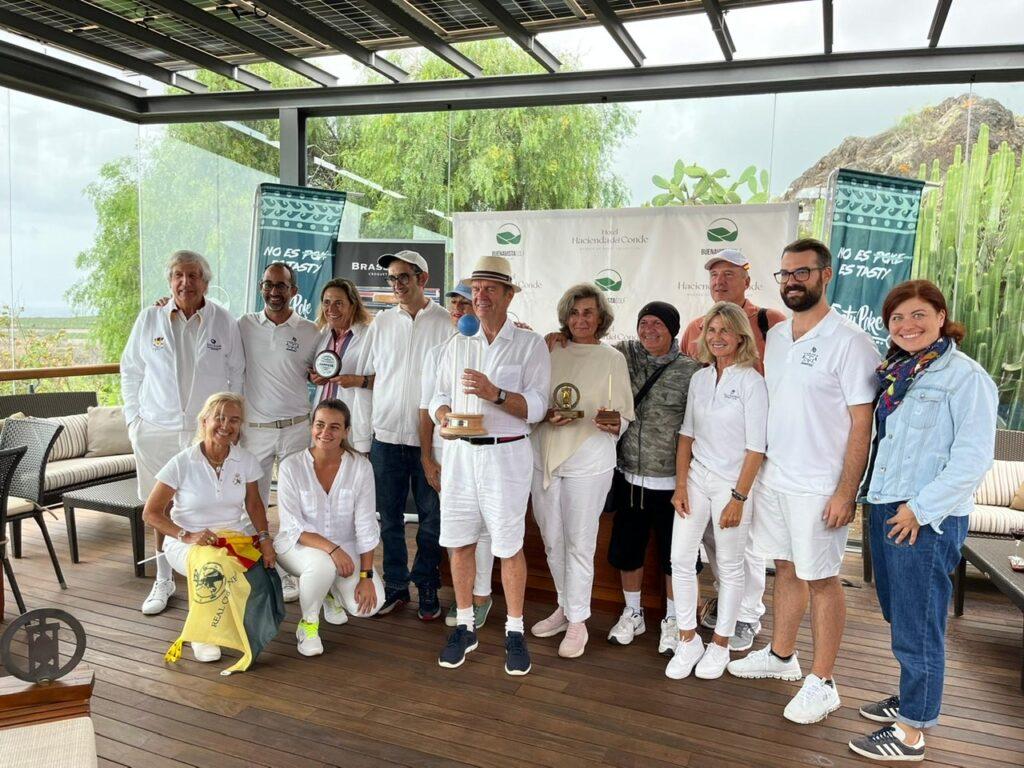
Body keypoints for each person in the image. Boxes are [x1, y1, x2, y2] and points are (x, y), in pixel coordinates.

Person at [727, 238, 879, 725]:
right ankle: (781, 656)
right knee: (786, 569)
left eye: (803, 273)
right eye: (786, 274)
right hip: (776, 479)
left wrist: (845, 492)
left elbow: (863, 423)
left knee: (822, 580)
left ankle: (825, 681)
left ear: (825, 275)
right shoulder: (780, 337)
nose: (793, 281)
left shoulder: (851, 342)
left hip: (820, 487)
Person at [848, 280, 996, 762]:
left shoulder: (965, 377)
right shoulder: (897, 372)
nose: (906, 326)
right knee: (900, 614)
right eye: (896, 318)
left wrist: (920, 509)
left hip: (923, 517)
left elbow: (972, 459)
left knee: (919, 624)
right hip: (886, 504)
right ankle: (912, 697)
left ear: (940, 316)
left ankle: (912, 732)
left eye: (917, 315)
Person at [431, 256, 550, 675]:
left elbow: (537, 406)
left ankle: (514, 631)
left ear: (509, 295)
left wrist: (495, 394)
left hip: (507, 454)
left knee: (508, 545)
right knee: (460, 541)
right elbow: (436, 398)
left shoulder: (530, 344)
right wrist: (443, 416)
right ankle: (465, 625)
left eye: (489, 289)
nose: (479, 296)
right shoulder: (456, 343)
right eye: (474, 288)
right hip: (461, 453)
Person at [122, 250, 244, 616]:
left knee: (202, 500)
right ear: (170, 280)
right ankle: (163, 578)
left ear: (205, 282)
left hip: (203, 433)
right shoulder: (149, 319)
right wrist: (133, 422)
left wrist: (230, 424)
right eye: (178, 275)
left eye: (193, 276)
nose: (185, 282)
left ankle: (208, 568)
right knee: (159, 505)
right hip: (156, 429)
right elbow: (131, 372)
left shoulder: (224, 321)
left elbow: (236, 374)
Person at [679, 248, 786, 651]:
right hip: (710, 456)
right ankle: (728, 602)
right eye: (713, 276)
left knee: (748, 542)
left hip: (756, 451)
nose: (719, 282)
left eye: (727, 274)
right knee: (714, 538)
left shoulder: (769, 321)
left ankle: (747, 616)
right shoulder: (694, 326)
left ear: (747, 277)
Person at [530, 283, 634, 658]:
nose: (580, 319)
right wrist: (545, 415)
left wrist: (614, 424)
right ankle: (564, 606)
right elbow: (531, 401)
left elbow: (623, 414)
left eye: (588, 312)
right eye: (574, 313)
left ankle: (578, 622)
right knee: (552, 541)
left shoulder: (612, 358)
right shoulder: (549, 350)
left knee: (579, 544)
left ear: (601, 317)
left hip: (590, 460)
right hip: (545, 456)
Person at [666, 302, 767, 680]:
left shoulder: (752, 381)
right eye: (712, 330)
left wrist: (739, 498)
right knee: (680, 559)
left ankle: (720, 644)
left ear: (741, 335)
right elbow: (686, 434)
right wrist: (680, 485)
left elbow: (756, 448)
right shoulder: (700, 378)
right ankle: (688, 638)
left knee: (729, 566)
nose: (718, 337)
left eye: (726, 330)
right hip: (696, 478)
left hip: (732, 485)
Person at [353, 250, 451, 619]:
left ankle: (427, 584)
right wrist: (364, 438)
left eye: (403, 277)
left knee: (432, 519)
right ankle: (395, 586)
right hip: (386, 439)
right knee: (389, 518)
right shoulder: (381, 323)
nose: (396, 285)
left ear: (423, 279)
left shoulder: (446, 323)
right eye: (392, 279)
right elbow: (367, 380)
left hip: (432, 443)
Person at [140, 392, 274, 663]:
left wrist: (265, 539)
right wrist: (187, 535)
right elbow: (151, 513)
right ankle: (202, 633)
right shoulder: (181, 462)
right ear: (204, 421)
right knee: (214, 565)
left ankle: (227, 622)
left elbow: (255, 505)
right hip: (186, 542)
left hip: (233, 538)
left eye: (234, 420)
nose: (226, 425)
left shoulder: (245, 460)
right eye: (220, 417)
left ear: (240, 427)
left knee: (250, 569)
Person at [605, 303, 701, 654]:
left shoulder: (691, 371)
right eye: (643, 323)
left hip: (674, 485)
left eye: (657, 323)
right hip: (630, 476)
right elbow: (588, 347)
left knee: (674, 558)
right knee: (628, 552)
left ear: (673, 329)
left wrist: (686, 482)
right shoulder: (624, 356)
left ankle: (674, 621)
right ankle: (633, 612)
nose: (648, 330)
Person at [274, 399, 386, 657]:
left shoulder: (360, 466)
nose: (325, 432)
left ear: (346, 431)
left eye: (335, 427)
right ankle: (309, 624)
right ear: (311, 427)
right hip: (298, 546)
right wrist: (332, 549)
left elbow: (366, 524)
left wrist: (366, 576)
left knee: (368, 606)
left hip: (345, 547)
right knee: (322, 564)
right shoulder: (291, 467)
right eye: (320, 425)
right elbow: (293, 526)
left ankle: (328, 593)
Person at [237, 263, 322, 602]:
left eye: (282, 286)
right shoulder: (242, 325)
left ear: (294, 290)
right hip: (255, 430)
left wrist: (318, 374)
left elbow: (324, 368)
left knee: (294, 506)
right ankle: (253, 570)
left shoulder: (310, 331)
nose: (275, 291)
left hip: (296, 429)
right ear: (261, 287)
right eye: (269, 284)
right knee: (250, 504)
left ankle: (289, 571)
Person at [419, 282, 497, 629]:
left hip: (488, 451)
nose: (458, 310)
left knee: (483, 527)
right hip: (448, 449)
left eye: (465, 303)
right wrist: (442, 418)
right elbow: (431, 401)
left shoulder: (496, 345)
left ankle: (482, 596)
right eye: (454, 303)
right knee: (456, 528)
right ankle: (464, 597)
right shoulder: (440, 350)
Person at [310, 277, 373, 414]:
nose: (331, 309)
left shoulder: (370, 336)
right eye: (326, 303)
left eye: (338, 303)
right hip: (322, 419)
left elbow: (389, 380)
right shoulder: (321, 333)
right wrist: (313, 377)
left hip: (352, 421)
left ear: (353, 305)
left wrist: (359, 381)